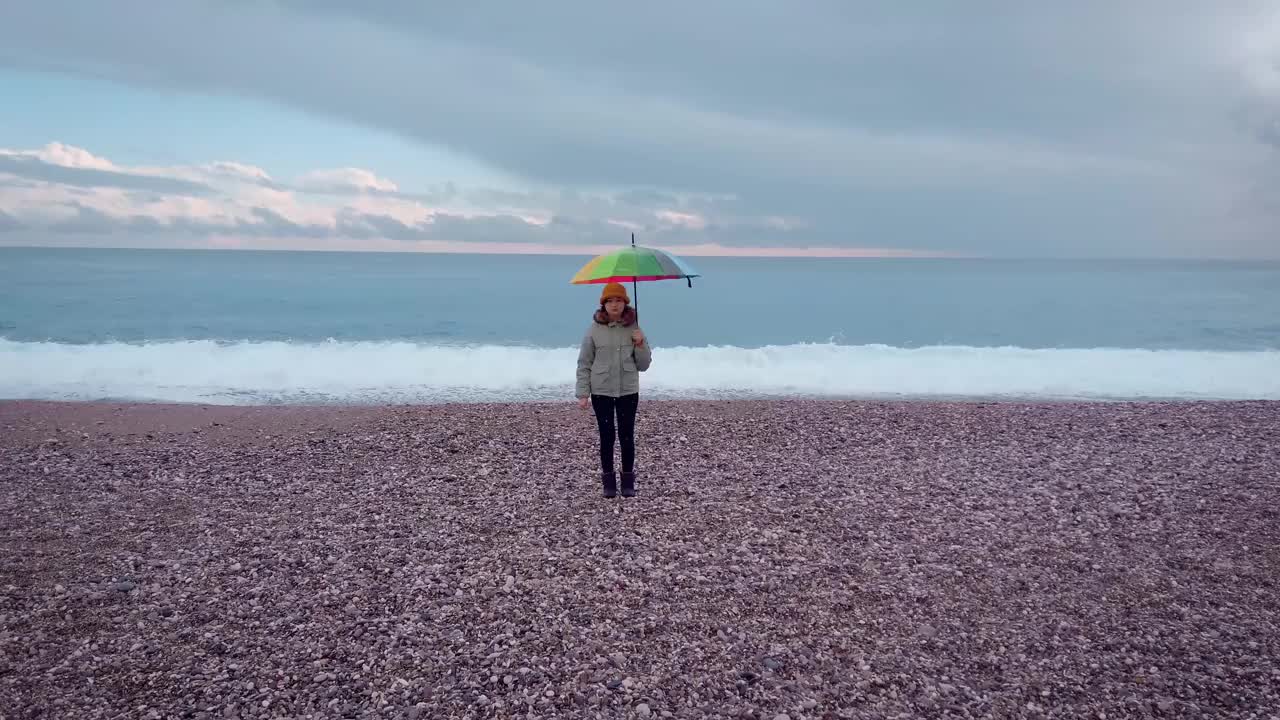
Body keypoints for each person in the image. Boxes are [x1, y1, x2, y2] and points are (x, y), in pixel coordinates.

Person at [575, 282, 652, 498]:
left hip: (628, 390)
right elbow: (584, 363)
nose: (614, 305)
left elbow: (644, 365)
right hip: (602, 391)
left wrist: (640, 343)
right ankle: (608, 482)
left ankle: (628, 481)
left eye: (618, 300)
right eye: (610, 301)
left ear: (625, 303)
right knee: (607, 436)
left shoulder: (635, 328)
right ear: (604, 305)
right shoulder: (593, 330)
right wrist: (583, 393)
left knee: (627, 435)